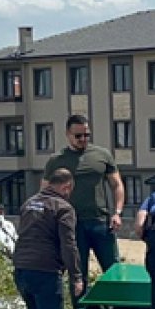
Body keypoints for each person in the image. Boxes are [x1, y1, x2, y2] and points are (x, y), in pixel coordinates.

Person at [11, 168, 83, 309]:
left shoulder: (29, 203)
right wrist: (76, 276)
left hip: (21, 267)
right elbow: (68, 245)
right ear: (66, 187)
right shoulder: (63, 208)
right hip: (45, 269)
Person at [44, 115, 124, 299]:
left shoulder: (102, 155)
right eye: (78, 136)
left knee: (113, 269)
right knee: (78, 274)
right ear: (68, 135)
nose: (83, 140)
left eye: (86, 135)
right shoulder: (56, 160)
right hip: (71, 225)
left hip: (101, 222)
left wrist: (117, 212)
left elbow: (117, 184)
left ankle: (119, 308)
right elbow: (45, 193)